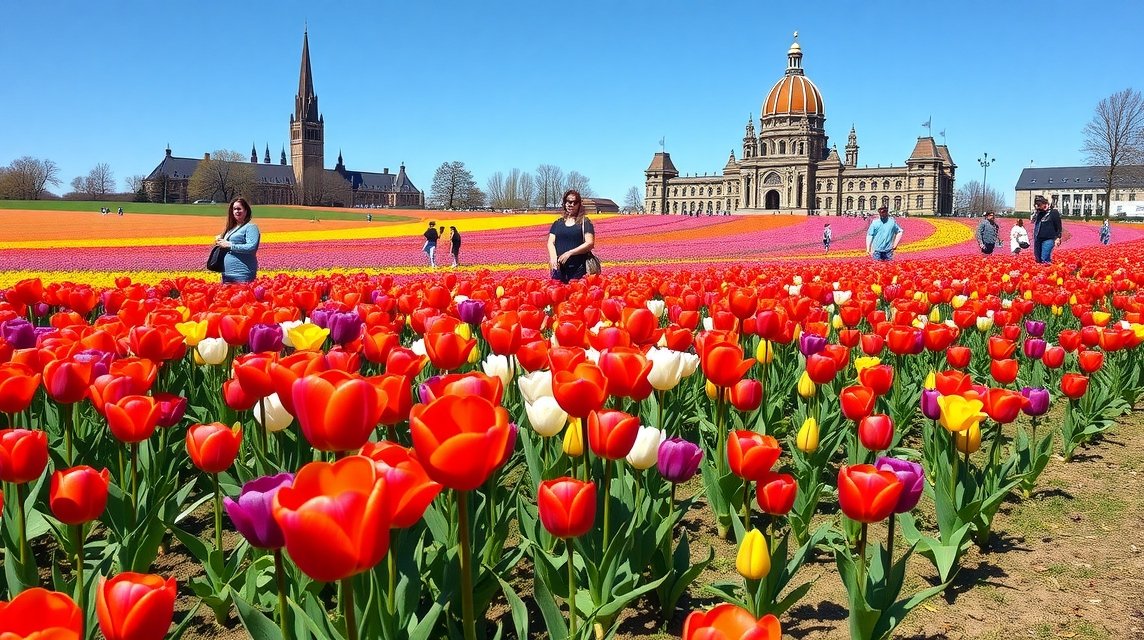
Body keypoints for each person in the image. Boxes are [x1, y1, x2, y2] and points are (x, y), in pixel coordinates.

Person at [547, 189, 595, 282]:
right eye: (568, 201)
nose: (571, 204)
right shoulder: (558, 223)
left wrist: (569, 253)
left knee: (576, 294)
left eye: (575, 202)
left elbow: (590, 243)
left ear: (579, 205)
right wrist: (553, 258)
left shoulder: (584, 222)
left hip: (578, 268)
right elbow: (550, 242)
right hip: (559, 269)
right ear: (564, 203)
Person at [214, 197, 260, 283]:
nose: (236, 211)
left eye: (239, 209)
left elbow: (251, 247)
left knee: (242, 296)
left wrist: (230, 245)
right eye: (234, 209)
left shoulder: (251, 227)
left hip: (242, 273)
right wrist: (220, 240)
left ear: (246, 211)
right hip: (227, 273)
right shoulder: (231, 228)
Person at [1031, 195, 1062, 263]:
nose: (1044, 207)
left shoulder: (1053, 212)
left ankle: (1048, 271)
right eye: (1040, 205)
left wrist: (1058, 238)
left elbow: (1058, 226)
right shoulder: (1038, 213)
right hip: (1038, 239)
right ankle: (1044, 271)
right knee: (1038, 259)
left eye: (1044, 204)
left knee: (1044, 258)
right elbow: (1032, 221)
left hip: (1049, 239)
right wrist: (1036, 211)